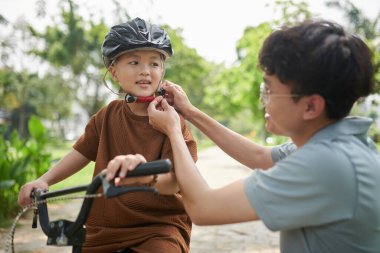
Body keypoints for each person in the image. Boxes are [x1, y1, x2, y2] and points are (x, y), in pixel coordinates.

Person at [106, 20, 380, 253]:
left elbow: (204, 208)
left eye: (269, 90)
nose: (263, 100)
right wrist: (189, 112)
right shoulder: (332, 146)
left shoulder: (326, 165)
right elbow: (259, 156)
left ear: (311, 106)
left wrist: (174, 130)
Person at [18, 17, 197, 253]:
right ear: (114, 72)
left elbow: (176, 181)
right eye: (134, 62)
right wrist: (44, 180)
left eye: (154, 64)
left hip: (158, 228)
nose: (145, 71)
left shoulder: (172, 120)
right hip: (104, 229)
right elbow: (81, 153)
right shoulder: (107, 115)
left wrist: (143, 178)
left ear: (162, 71)